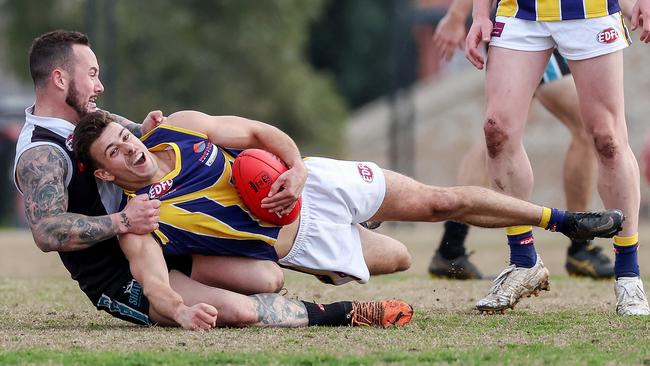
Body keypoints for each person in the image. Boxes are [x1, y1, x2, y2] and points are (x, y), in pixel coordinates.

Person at [13, 29, 413, 331]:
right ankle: (346, 315)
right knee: (238, 310)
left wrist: (147, 131)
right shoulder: (40, 153)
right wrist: (124, 222)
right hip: (119, 269)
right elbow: (47, 231)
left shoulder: (90, 120)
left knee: (267, 277)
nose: (99, 85)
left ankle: (334, 217)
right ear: (61, 79)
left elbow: (138, 141)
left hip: (165, 235)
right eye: (93, 75)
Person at [72, 109, 625, 320]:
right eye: (115, 153)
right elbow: (155, 285)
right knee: (402, 259)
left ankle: (561, 220)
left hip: (318, 182)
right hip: (300, 241)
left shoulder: (179, 127)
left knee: (440, 201)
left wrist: (296, 170)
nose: (130, 150)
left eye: (125, 137)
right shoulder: (142, 220)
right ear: (103, 173)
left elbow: (265, 133)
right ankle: (341, 257)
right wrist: (179, 312)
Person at [465, 0, 650, 314]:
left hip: (590, 12)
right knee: (496, 130)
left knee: (608, 138)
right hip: (520, 12)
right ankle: (523, 262)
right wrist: (480, 13)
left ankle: (629, 275)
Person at [427, 0, 614, 280]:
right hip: (530, 21)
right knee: (586, 126)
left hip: (544, 20)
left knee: (498, 134)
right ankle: (579, 248)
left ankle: (451, 247)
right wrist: (456, 16)